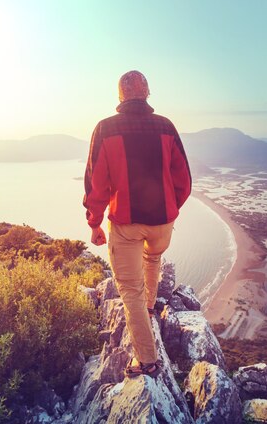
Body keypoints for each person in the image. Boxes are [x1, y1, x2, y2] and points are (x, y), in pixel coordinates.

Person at [83, 70, 192, 377]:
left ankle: (146, 360)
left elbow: (96, 183)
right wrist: (170, 209)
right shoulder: (166, 127)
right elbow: (183, 178)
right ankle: (148, 308)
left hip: (127, 224)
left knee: (129, 290)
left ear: (120, 97)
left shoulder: (105, 129)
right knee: (153, 256)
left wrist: (94, 223)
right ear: (147, 94)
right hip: (162, 224)